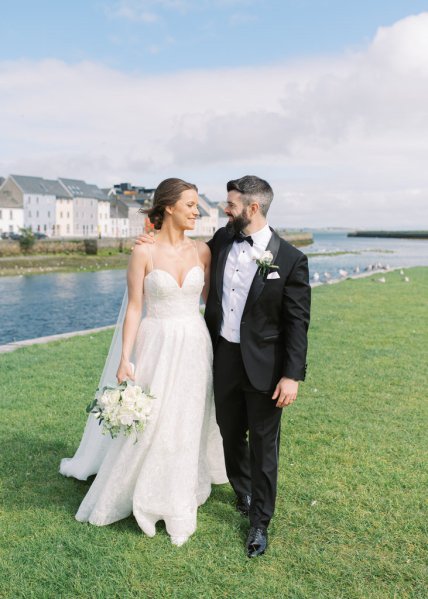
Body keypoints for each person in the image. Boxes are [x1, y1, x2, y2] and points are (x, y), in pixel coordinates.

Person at [137, 175, 311, 557]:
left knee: (265, 444)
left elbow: (298, 323)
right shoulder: (222, 240)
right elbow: (175, 241)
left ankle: (259, 523)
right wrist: (148, 236)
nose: (223, 210)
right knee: (229, 432)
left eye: (230, 205)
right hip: (221, 357)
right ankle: (243, 490)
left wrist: (292, 375)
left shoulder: (291, 260)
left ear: (252, 208)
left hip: (267, 367)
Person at [60, 178, 227, 546]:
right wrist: (125, 358)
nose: (196, 211)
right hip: (156, 341)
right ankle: (141, 487)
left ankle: (178, 490)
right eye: (190, 204)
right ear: (168, 207)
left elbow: (214, 299)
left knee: (187, 416)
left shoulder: (203, 251)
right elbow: (135, 308)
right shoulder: (144, 253)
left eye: (197, 205)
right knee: (154, 417)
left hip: (195, 344)